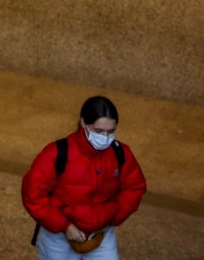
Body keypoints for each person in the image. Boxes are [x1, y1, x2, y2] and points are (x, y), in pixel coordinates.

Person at [21, 96, 147, 259]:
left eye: (111, 131)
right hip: (59, 236)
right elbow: (33, 194)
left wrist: (111, 218)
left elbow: (134, 187)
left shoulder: (120, 153)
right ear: (83, 123)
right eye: (99, 131)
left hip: (101, 235)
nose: (105, 137)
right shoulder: (56, 153)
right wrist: (65, 226)